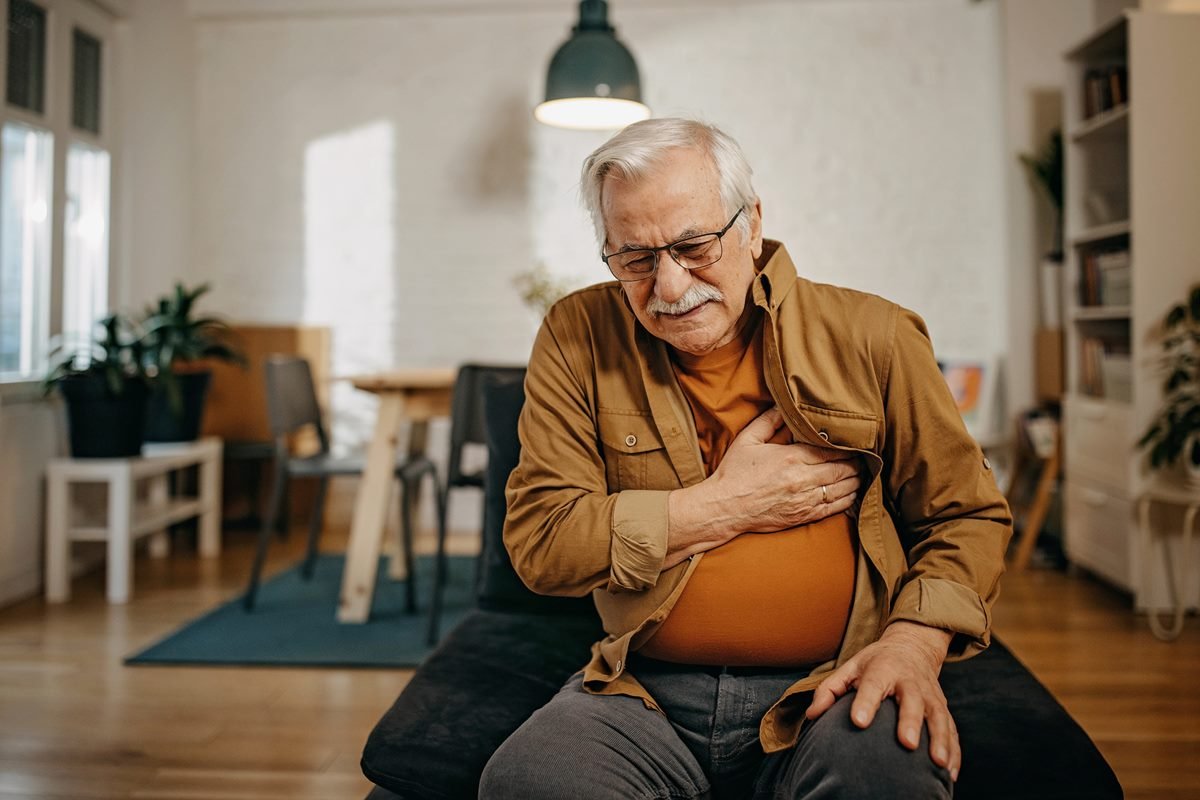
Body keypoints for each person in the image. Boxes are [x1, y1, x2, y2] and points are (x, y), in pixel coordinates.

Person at [479, 118, 1012, 799]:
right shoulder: (577, 333)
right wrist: (724, 506)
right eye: (635, 259)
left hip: (835, 679)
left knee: (886, 780)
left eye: (694, 246)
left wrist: (912, 645)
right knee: (529, 780)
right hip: (640, 692)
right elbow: (543, 544)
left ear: (752, 225)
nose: (670, 287)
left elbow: (966, 517)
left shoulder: (874, 336)